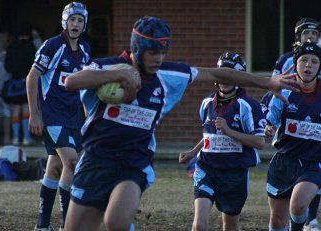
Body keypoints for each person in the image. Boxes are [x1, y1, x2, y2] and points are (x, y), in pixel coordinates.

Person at [62, 16, 297, 231]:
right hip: (96, 160)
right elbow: (72, 81)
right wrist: (120, 75)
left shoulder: (168, 75)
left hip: (133, 163)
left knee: (116, 221)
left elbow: (218, 74)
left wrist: (266, 83)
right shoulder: (106, 66)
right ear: (137, 48)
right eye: (153, 52)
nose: (159, 58)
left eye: (163, 52)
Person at [179, 52, 266, 231]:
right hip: (207, 168)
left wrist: (229, 131)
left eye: (230, 74)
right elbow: (209, 135)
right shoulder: (207, 103)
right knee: (199, 225)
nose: (225, 79)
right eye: (221, 73)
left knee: (230, 226)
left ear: (239, 77)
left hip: (234, 173)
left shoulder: (248, 106)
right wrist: (193, 152)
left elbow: (259, 142)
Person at [26, 2, 91, 231]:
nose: (76, 24)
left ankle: (42, 226)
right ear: (65, 22)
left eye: (80, 20)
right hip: (52, 116)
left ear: (84, 25)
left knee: (54, 168)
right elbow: (31, 78)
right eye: (72, 19)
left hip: (75, 118)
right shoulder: (52, 46)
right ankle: (68, 225)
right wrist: (34, 114)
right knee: (72, 162)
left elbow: (84, 86)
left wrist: (88, 117)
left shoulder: (84, 50)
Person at [260, 18, 321, 231]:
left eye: (314, 61)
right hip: (284, 160)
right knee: (277, 219)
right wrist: (267, 126)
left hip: (314, 161)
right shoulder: (284, 90)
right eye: (304, 60)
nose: (308, 66)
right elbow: (268, 116)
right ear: (295, 63)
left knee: (297, 205)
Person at [5, 23, 37, 146]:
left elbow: (6, 66)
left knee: (15, 110)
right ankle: (26, 138)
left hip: (14, 82)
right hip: (27, 82)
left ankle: (15, 138)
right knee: (25, 109)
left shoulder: (12, 46)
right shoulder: (30, 46)